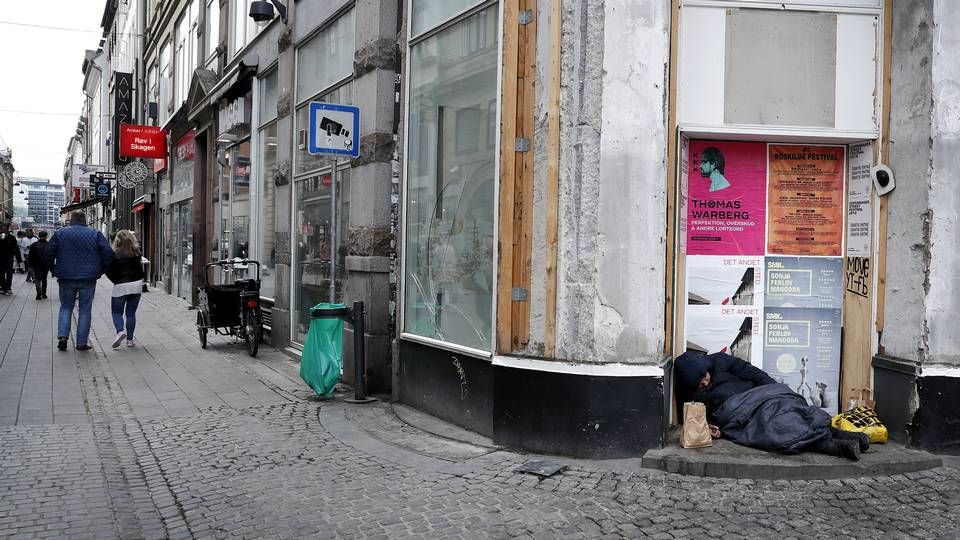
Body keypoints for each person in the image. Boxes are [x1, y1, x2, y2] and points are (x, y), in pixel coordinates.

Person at [675, 351, 869, 460]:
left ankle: (840, 439)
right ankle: (835, 445)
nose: (706, 383)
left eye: (705, 377)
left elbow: (755, 374)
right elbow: (694, 418)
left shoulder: (720, 361)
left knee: (793, 409)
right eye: (700, 384)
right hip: (737, 413)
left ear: (706, 367)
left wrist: (777, 392)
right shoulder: (689, 393)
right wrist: (710, 427)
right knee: (774, 427)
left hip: (763, 395)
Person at [44, 212, 113, 351]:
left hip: (65, 276)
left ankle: (63, 336)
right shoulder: (95, 233)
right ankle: (81, 342)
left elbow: (48, 253)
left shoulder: (60, 233)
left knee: (66, 307)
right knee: (85, 310)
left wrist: (54, 269)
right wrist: (101, 270)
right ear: (85, 220)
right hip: (88, 277)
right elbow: (108, 253)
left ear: (71, 220)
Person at [105, 230, 145, 348]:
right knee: (131, 313)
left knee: (116, 312)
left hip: (121, 285)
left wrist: (115, 280)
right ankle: (130, 340)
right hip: (136, 284)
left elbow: (108, 270)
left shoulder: (114, 253)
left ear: (117, 240)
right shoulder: (136, 252)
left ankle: (120, 331)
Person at [27, 230, 50, 300]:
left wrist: (30, 265)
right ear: (46, 236)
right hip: (45, 265)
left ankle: (38, 293)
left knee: (37, 279)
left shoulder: (34, 245)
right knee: (44, 279)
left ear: (39, 236)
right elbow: (51, 256)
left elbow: (30, 256)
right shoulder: (49, 245)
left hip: (36, 264)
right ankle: (44, 294)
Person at [0, 224, 22, 295]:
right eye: (2, 229)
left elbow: (16, 248)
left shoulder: (12, 238)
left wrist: (19, 259)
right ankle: (3, 287)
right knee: (1, 273)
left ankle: (8, 288)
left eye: (4, 229)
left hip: (9, 257)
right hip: (1, 258)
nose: (3, 230)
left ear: (7, 229)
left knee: (9, 272)